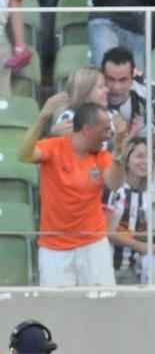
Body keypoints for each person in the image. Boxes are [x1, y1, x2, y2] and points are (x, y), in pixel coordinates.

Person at [19, 97, 124, 286]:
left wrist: (119, 151)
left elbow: (114, 184)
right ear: (87, 129)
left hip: (94, 245)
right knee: (57, 310)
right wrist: (42, 117)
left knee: (104, 305)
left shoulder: (102, 156)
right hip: (54, 248)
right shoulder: (54, 147)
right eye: (105, 130)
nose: (108, 135)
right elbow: (24, 155)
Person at [101, 46, 155, 148]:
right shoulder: (90, 88)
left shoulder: (148, 91)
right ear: (102, 75)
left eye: (123, 80)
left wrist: (134, 145)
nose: (116, 87)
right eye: (110, 79)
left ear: (133, 75)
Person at [105, 137, 155, 284]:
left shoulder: (147, 196)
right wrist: (140, 246)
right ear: (127, 159)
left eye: (150, 157)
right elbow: (106, 231)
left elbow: (137, 231)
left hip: (131, 270)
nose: (145, 161)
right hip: (107, 267)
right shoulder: (115, 188)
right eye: (139, 156)